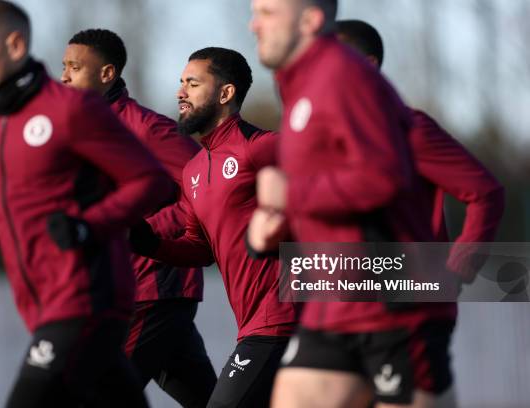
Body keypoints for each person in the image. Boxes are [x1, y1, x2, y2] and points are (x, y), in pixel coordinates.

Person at [0, 1, 176, 406]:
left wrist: (87, 226)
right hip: (39, 311)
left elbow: (152, 182)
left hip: (88, 301)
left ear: (15, 45)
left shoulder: (73, 109)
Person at [249, 0, 484, 407]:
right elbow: (330, 195)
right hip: (332, 305)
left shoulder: (345, 75)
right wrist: (271, 227)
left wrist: (458, 265)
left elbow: (383, 178)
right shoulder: (301, 90)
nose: (254, 25)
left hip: (395, 310)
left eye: (268, 12)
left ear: (311, 20)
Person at [130, 47, 298, 407]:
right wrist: (150, 243)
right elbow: (199, 247)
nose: (180, 92)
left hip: (282, 319)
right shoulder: (193, 171)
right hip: (254, 323)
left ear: (225, 93)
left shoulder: (261, 147)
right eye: (180, 83)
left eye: (192, 83)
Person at [60, 28, 216, 407]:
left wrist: (145, 232)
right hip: (117, 292)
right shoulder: (76, 133)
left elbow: (206, 188)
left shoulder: (147, 130)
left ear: (106, 73)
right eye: (62, 66)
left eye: (74, 67)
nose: (63, 76)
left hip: (152, 292)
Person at [334, 19, 504, 279]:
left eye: (332, 61)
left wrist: (458, 270)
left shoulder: (409, 129)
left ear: (368, 66)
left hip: (410, 301)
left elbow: (486, 193)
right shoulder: (319, 136)